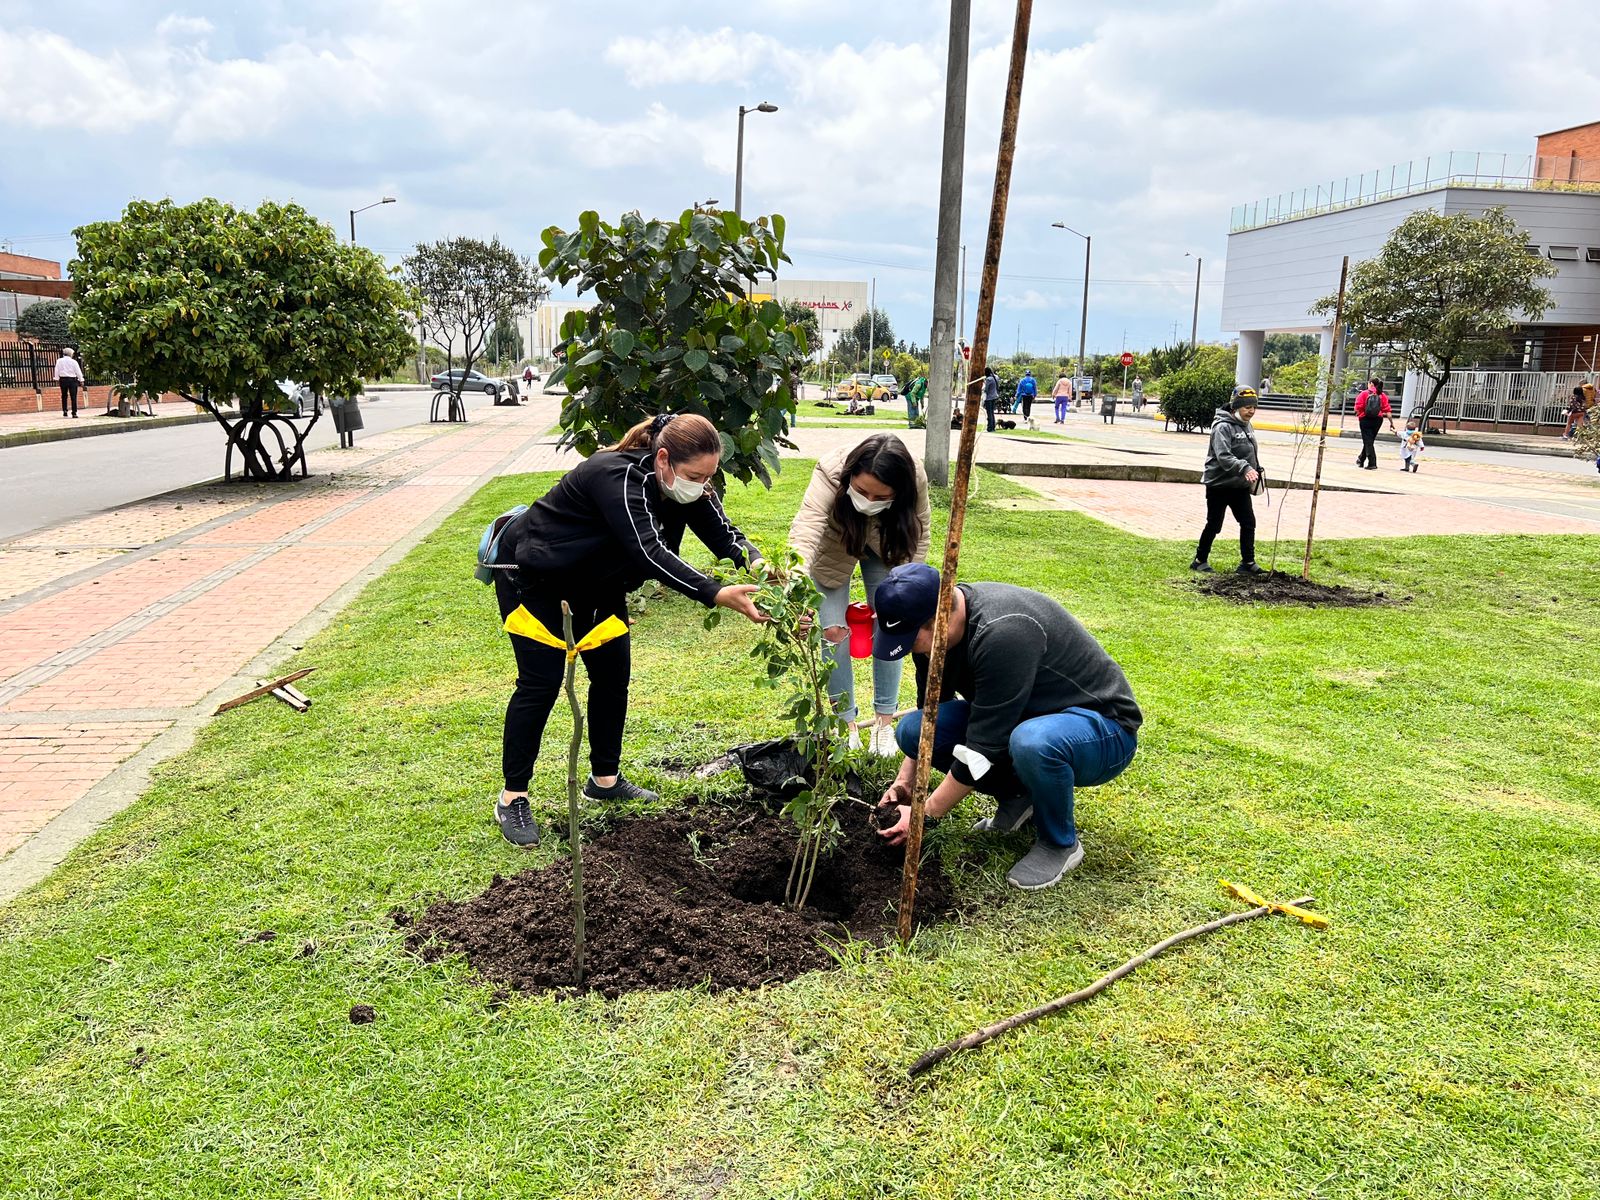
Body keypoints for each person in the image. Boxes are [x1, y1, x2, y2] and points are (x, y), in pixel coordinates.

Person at [481, 412, 767, 846]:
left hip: (599, 586)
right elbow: (648, 551)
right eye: (695, 476)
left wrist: (763, 565)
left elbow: (726, 536)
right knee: (539, 685)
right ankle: (513, 797)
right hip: (535, 582)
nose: (701, 485)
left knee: (612, 678)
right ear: (664, 458)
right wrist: (714, 592)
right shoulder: (615, 475)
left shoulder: (686, 486)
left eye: (709, 477)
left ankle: (605, 780)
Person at [871, 564, 1141, 890]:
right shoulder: (930, 639)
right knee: (912, 731)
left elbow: (981, 751)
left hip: (1102, 730)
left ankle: (1059, 843)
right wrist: (905, 781)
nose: (912, 650)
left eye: (911, 641)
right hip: (1022, 719)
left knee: (1032, 742)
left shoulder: (1003, 632)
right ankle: (1018, 798)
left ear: (940, 620)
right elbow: (930, 717)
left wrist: (924, 814)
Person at [789, 435, 931, 755]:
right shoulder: (830, 472)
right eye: (862, 491)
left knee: (891, 626)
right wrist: (796, 582)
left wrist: (907, 590)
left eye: (880, 496)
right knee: (832, 633)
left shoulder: (914, 476)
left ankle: (884, 722)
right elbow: (807, 528)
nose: (868, 500)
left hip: (889, 543)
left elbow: (920, 531)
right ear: (850, 475)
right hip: (836, 543)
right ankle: (845, 725)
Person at [1191, 385, 1266, 576]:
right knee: (1214, 524)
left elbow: (1249, 451)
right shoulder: (1222, 427)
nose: (1251, 411)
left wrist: (1255, 469)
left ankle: (1248, 563)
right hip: (1219, 485)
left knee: (1248, 522)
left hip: (1239, 486)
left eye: (1254, 407)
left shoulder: (1247, 425)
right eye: (1247, 407)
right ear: (1236, 407)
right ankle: (1199, 560)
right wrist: (1245, 468)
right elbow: (1223, 456)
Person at [1354, 377, 1396, 469]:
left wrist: (1359, 413)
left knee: (1368, 441)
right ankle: (1361, 459)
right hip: (1378, 420)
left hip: (1365, 419)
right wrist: (1391, 423)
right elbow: (1388, 411)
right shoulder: (1382, 395)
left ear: (1371, 384)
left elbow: (1358, 407)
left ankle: (1372, 463)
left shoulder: (1364, 393)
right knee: (1369, 440)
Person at [54, 346, 84, 418]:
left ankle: (65, 411)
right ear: (71, 354)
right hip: (72, 380)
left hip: (63, 379)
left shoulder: (59, 361)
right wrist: (81, 380)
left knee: (64, 395)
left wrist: (57, 379)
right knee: (73, 396)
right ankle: (74, 412)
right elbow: (78, 371)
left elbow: (57, 370)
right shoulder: (74, 362)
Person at [982, 367, 1000, 432]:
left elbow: (986, 389)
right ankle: (993, 427)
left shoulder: (988, 379)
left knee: (989, 413)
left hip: (989, 398)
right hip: (994, 396)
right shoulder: (996, 377)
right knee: (992, 413)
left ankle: (989, 428)